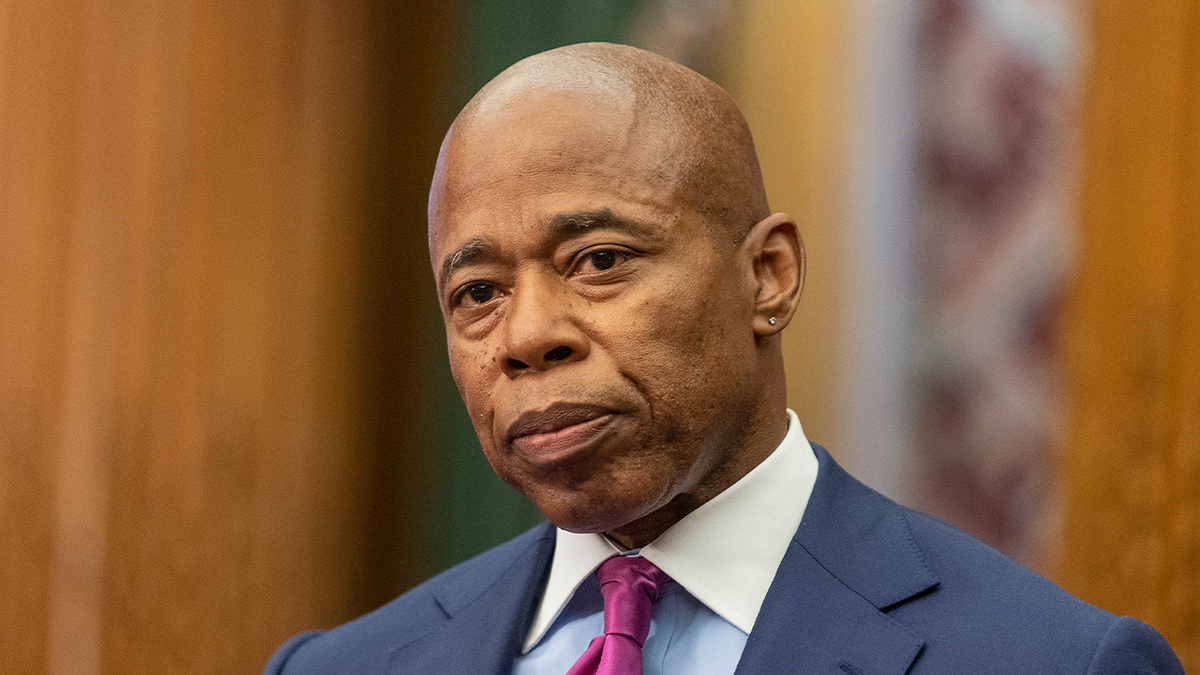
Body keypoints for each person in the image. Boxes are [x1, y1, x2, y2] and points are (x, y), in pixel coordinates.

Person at [265, 42, 1183, 675]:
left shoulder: (1050, 662)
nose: (526, 336)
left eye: (600, 262)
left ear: (769, 277)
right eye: (478, 294)